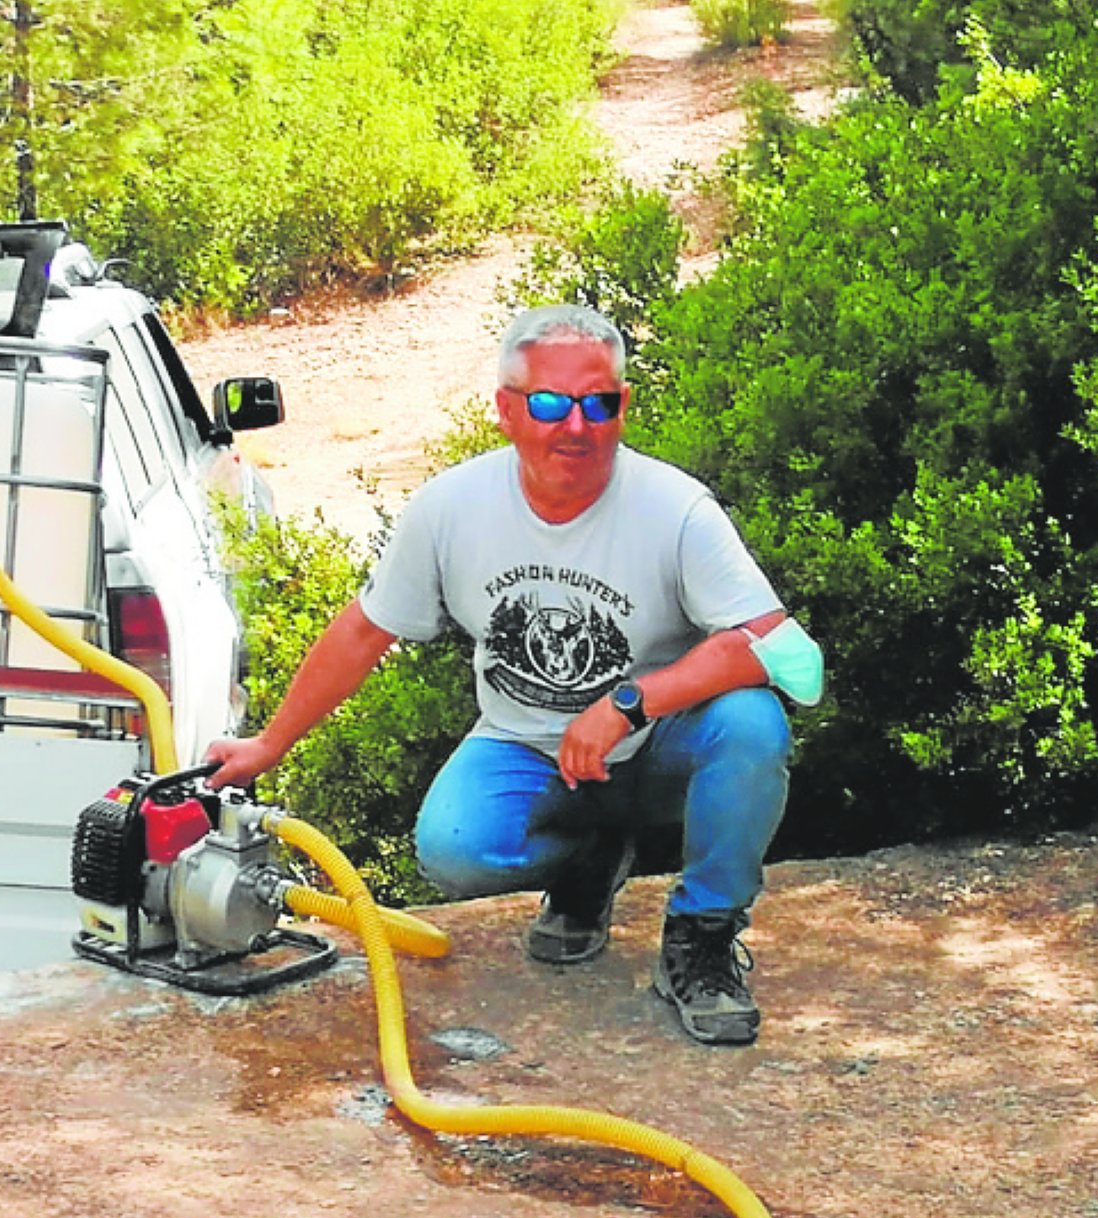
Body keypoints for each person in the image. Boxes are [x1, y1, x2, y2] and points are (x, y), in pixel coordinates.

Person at [203, 303, 823, 1046]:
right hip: (527, 748)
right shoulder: (450, 508)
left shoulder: (675, 509)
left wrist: (631, 702)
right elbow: (366, 629)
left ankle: (703, 940)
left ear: (623, 406)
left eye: (599, 403)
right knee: (453, 846)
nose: (576, 426)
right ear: (505, 409)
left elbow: (787, 654)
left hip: (661, 744)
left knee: (754, 724)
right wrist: (269, 744)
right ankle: (591, 863)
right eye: (551, 403)